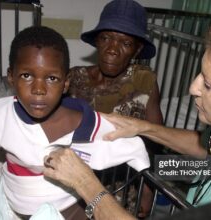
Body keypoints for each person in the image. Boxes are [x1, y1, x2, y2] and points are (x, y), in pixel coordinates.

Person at [42, 5, 211, 218]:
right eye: (201, 74)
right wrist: (145, 131)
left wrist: (86, 184)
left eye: (208, 85)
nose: (193, 87)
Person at [0, 26, 150, 219]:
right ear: (11, 77)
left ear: (66, 82)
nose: (38, 89)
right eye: (26, 75)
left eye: (51, 78)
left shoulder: (85, 123)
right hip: (13, 208)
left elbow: (135, 148)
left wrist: (147, 188)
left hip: (67, 210)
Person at [67, 0, 163, 217]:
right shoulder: (74, 77)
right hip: (74, 178)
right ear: (97, 42)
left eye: (125, 43)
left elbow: (155, 139)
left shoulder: (144, 81)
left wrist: (147, 191)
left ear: (137, 49)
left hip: (120, 182)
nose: (112, 50)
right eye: (106, 38)